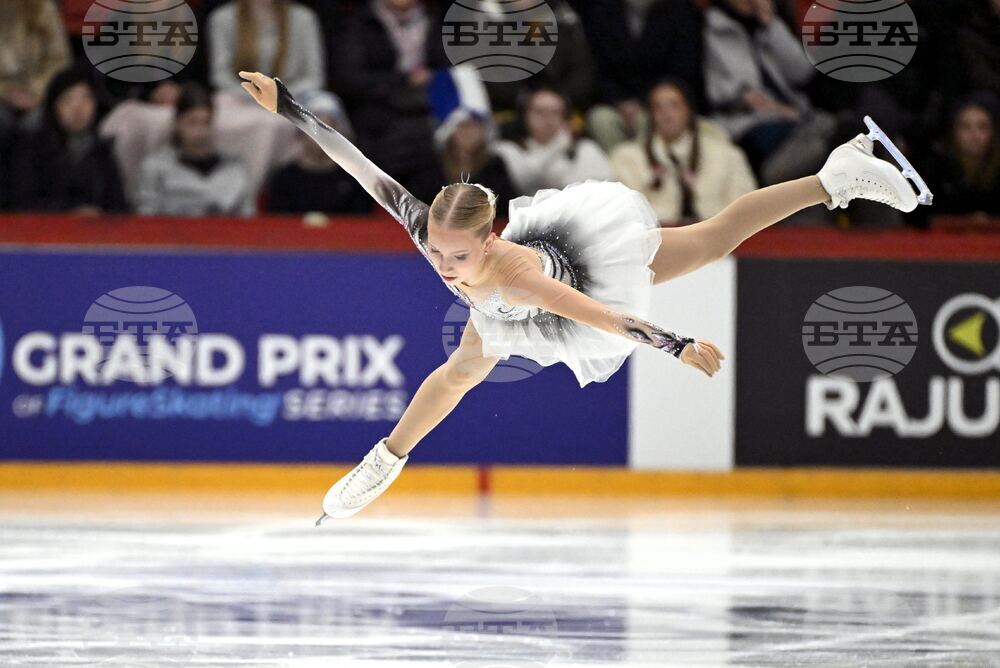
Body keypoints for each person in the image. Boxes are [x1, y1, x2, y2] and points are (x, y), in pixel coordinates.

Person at [238, 71, 928, 521]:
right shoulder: (429, 231)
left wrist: (677, 344)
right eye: (437, 253)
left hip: (584, 277)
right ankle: (384, 460)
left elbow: (603, 316)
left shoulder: (513, 271)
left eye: (458, 256)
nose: (443, 267)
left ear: (487, 241)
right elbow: (360, 166)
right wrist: (288, 105)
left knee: (715, 238)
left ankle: (837, 178)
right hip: (501, 313)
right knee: (458, 373)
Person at [611, 79, 756, 225]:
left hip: (718, 237)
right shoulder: (626, 157)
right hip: (655, 239)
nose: (667, 114)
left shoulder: (727, 155)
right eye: (658, 108)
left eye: (674, 106)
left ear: (689, 110)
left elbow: (747, 209)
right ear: (650, 115)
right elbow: (624, 215)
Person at [9, 65, 127, 214]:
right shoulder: (30, 147)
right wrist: (69, 212)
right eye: (68, 99)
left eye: (87, 98)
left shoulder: (101, 151)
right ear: (53, 105)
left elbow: (119, 207)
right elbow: (21, 202)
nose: (78, 108)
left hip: (96, 233)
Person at [132, 83, 255, 216]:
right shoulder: (155, 167)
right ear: (177, 122)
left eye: (205, 123)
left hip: (226, 235)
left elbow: (247, 219)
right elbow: (145, 217)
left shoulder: (234, 168)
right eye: (192, 122)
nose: (200, 132)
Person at [266, 89, 372, 215]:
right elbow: (276, 223)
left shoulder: (355, 179)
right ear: (301, 133)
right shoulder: (284, 179)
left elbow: (362, 225)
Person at [495, 87, 611, 195]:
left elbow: (604, 185)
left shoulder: (585, 148)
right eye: (540, 112)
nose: (548, 118)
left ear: (565, 117)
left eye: (555, 112)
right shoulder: (508, 149)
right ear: (525, 116)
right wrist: (556, 147)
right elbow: (523, 182)